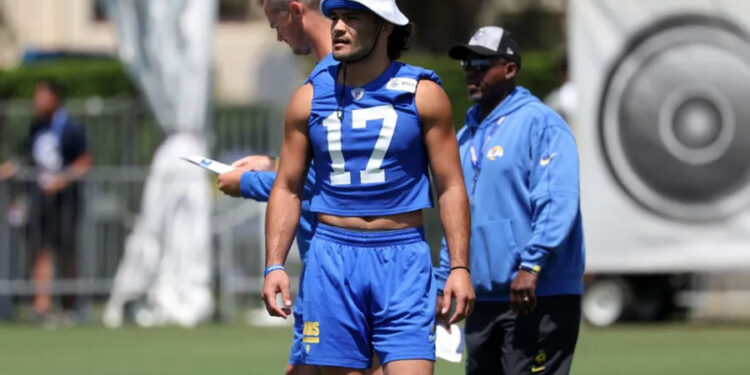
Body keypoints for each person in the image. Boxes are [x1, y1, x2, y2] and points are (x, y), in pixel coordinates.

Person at [263, 0, 475, 374]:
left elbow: (451, 186)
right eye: (335, 17)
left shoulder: (422, 93)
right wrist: (274, 265)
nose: (339, 27)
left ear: (385, 26)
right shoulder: (307, 98)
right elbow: (287, 187)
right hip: (332, 260)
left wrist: (458, 266)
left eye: (353, 17)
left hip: (403, 260)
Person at [434, 26, 585, 375]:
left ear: (510, 69)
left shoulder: (542, 124)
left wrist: (532, 265)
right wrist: (445, 281)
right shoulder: (464, 136)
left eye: (482, 63)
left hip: (536, 293)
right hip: (484, 299)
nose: (472, 70)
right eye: (467, 64)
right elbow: (454, 216)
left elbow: (558, 199)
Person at [217, 1, 336, 374]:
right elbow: (328, 163)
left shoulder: (337, 75)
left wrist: (250, 182)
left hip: (337, 265)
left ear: (295, 11)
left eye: (275, 24)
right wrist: (275, 163)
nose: (277, 35)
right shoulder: (325, 74)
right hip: (324, 265)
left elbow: (323, 179)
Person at [25, 79, 92, 319]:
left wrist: (63, 179)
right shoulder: (36, 127)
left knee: (67, 250)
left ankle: (70, 305)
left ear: (55, 98)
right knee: (40, 249)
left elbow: (85, 160)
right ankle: (42, 305)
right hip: (40, 199)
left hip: (66, 201)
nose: (37, 102)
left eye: (41, 96)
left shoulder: (71, 128)